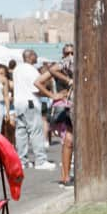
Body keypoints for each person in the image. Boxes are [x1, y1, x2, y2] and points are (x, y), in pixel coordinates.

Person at [35, 46, 75, 187]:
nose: (70, 55)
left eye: (72, 52)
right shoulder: (59, 67)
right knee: (68, 140)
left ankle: (68, 175)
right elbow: (38, 82)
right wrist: (53, 95)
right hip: (64, 107)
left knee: (72, 141)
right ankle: (65, 177)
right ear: (62, 54)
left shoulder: (78, 66)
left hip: (77, 105)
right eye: (67, 53)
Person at [12, 49, 55, 170]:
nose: (37, 58)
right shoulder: (31, 70)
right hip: (30, 102)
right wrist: (50, 95)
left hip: (19, 103)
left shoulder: (17, 69)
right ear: (30, 56)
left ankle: (22, 161)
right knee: (36, 131)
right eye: (35, 55)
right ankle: (40, 160)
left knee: (21, 132)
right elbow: (36, 88)